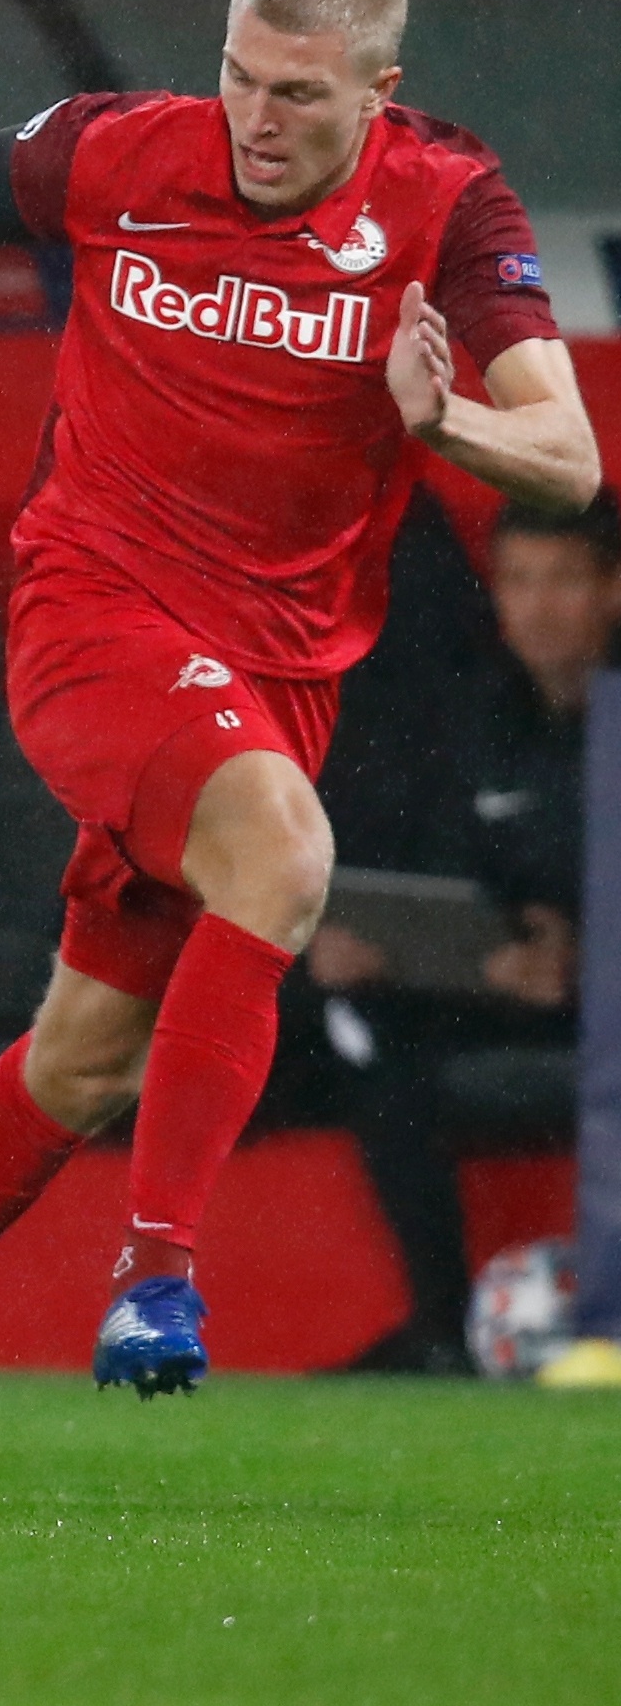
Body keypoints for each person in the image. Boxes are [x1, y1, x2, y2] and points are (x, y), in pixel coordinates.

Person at [0, 0, 600, 1489]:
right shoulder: (121, 154)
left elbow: (571, 456)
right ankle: (154, 1266)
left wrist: (444, 418)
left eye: (295, 94)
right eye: (235, 77)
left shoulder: (444, 203)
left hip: (269, 672)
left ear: (376, 93)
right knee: (279, 852)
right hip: (91, 615)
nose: (253, 118)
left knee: (77, 1056)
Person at [302, 492, 621, 1373]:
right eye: (517, 580)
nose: (538, 606)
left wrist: (588, 961)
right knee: (378, 1047)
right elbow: (449, 882)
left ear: (613, 588)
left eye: (563, 579)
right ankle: (444, 1336)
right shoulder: (475, 719)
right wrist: (378, 948)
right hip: (513, 992)